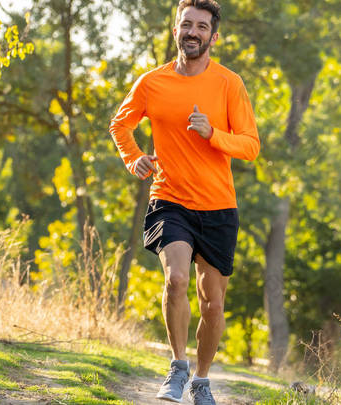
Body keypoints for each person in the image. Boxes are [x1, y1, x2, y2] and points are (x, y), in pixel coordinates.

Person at [109, 0, 259, 403]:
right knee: (175, 280)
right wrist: (134, 156)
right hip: (169, 199)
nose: (192, 32)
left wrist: (214, 134)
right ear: (175, 30)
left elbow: (250, 145)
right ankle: (177, 366)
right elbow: (120, 124)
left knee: (212, 304)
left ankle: (203, 380)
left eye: (201, 27)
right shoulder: (152, 82)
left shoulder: (229, 84)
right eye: (186, 24)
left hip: (218, 208)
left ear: (213, 36)